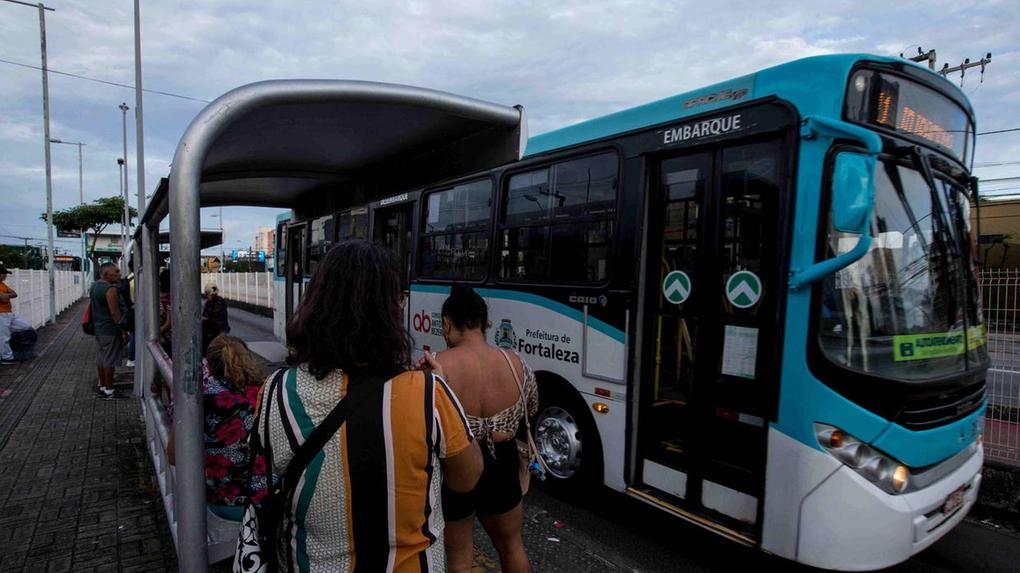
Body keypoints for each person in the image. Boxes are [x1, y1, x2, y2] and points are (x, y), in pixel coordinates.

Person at [253, 241, 482, 572]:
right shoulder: (428, 394)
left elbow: (270, 472)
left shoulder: (276, 391)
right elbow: (467, 477)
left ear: (316, 303)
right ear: (389, 311)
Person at [418, 284, 538, 573]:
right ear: (486, 324)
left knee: (460, 556)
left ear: (447, 323)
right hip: (503, 462)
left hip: (456, 466)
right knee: (511, 546)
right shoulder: (516, 363)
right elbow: (530, 409)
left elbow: (422, 421)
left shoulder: (436, 366)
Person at [167, 334, 263, 520]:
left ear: (208, 365)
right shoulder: (267, 391)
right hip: (268, 497)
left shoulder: (198, 399)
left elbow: (173, 456)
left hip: (224, 502)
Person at [90, 263, 128, 399]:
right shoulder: (110, 289)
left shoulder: (94, 286)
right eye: (116, 272)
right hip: (110, 330)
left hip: (99, 328)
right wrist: (123, 330)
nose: (119, 274)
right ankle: (110, 390)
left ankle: (103, 386)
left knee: (101, 358)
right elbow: (114, 312)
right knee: (110, 360)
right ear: (106, 274)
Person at [0, 265, 33, 365]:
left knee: (26, 327)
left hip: (9, 313)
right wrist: (7, 295)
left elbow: (14, 294)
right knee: (3, 337)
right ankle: (7, 358)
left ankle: (12, 349)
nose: (5, 276)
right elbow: (4, 298)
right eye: (4, 274)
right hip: (1, 314)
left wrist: (7, 295)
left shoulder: (2, 285)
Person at [202, 284, 230, 354]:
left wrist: (206, 318)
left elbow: (212, 317)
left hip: (219, 329)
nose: (207, 296)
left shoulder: (220, 302)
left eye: (207, 294)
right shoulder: (208, 303)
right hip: (211, 329)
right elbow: (205, 315)